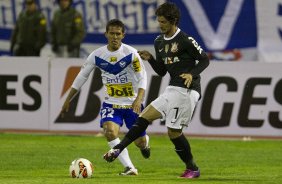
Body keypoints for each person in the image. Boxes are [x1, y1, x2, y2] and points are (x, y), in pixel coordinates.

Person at [103, 2, 210, 179]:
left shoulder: (185, 39)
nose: (160, 25)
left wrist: (192, 74)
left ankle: (192, 168)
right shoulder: (159, 41)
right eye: (158, 21)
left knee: (173, 132)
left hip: (188, 91)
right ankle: (117, 149)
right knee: (143, 117)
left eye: (163, 22)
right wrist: (151, 59)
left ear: (173, 21)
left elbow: (205, 59)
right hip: (172, 89)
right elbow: (161, 72)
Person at [60, 19, 150, 176]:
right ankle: (130, 167)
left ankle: (145, 144)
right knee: (109, 131)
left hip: (132, 105)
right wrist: (67, 100)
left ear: (123, 35)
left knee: (139, 142)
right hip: (111, 104)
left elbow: (142, 77)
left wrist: (139, 99)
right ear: (106, 34)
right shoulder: (97, 55)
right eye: (112, 33)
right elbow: (81, 77)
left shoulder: (131, 53)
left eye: (118, 34)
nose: (114, 37)